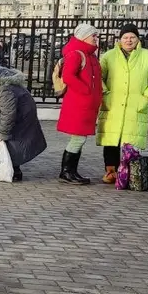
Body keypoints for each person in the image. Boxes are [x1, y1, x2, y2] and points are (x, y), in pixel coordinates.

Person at [96, 23, 148, 183]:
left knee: (131, 141)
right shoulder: (108, 56)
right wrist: (105, 92)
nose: (128, 40)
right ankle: (111, 171)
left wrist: (146, 97)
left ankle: (130, 172)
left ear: (138, 39)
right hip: (113, 104)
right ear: (119, 39)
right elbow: (98, 76)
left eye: (132, 37)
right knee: (112, 140)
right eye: (125, 37)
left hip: (136, 105)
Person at [0, 60, 47, 182]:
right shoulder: (1, 79)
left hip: (20, 116)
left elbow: (8, 113)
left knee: (11, 140)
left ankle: (14, 171)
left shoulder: (2, 88)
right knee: (12, 141)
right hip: (21, 113)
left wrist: (2, 134)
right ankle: (14, 169)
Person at [56, 23, 103, 184]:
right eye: (93, 36)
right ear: (84, 37)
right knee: (78, 138)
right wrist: (86, 90)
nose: (96, 38)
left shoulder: (90, 55)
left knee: (80, 138)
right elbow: (68, 76)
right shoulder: (77, 54)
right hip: (79, 104)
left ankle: (71, 171)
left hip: (86, 104)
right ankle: (66, 171)